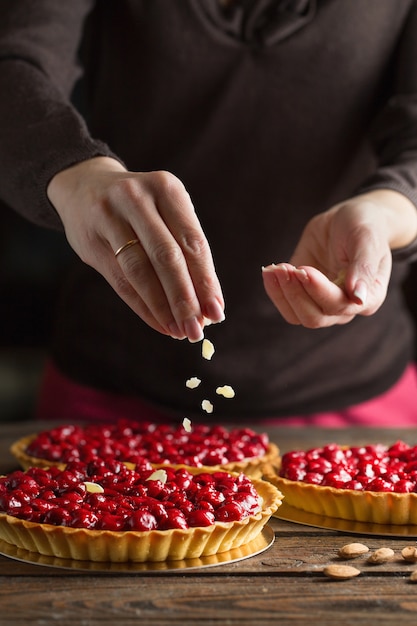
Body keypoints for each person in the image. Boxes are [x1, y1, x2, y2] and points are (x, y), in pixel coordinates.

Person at [1, 0, 417, 427]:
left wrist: (388, 209)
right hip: (109, 393)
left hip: (358, 401)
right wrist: (75, 173)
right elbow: (14, 61)